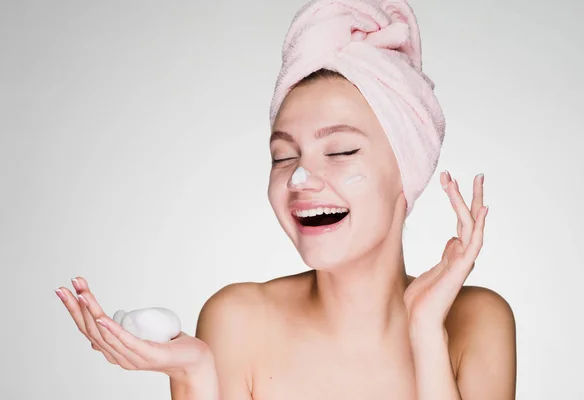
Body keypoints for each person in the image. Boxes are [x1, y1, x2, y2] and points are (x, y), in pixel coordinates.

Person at [55, 1, 517, 399]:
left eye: (339, 151)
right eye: (283, 156)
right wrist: (193, 374)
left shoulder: (477, 322)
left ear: (408, 171)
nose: (299, 177)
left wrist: (425, 333)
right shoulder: (237, 321)